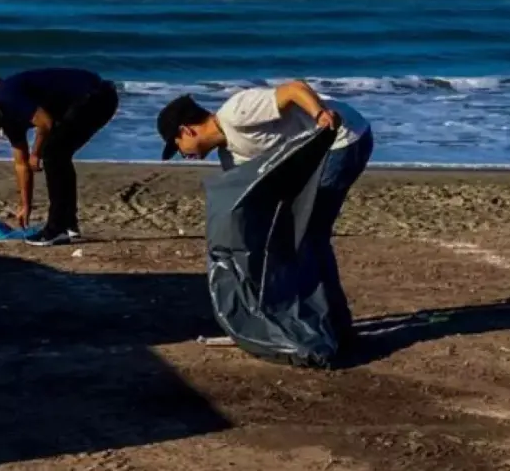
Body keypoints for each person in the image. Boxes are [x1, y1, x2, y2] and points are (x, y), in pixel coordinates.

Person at [155, 80, 374, 345]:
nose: (182, 154)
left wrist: (319, 114)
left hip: (343, 138)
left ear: (186, 131)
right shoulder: (230, 157)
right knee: (299, 237)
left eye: (177, 146)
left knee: (308, 238)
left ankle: (334, 327)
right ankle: (327, 323)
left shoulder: (236, 113)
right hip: (315, 155)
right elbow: (247, 196)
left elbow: (294, 89)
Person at [0, 67, 119, 246]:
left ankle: (57, 229)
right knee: (58, 155)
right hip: (81, 102)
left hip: (97, 97)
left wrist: (36, 153)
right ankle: (67, 224)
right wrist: (25, 205)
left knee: (53, 154)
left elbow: (45, 123)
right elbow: (21, 165)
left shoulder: (7, 97)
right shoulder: (6, 120)